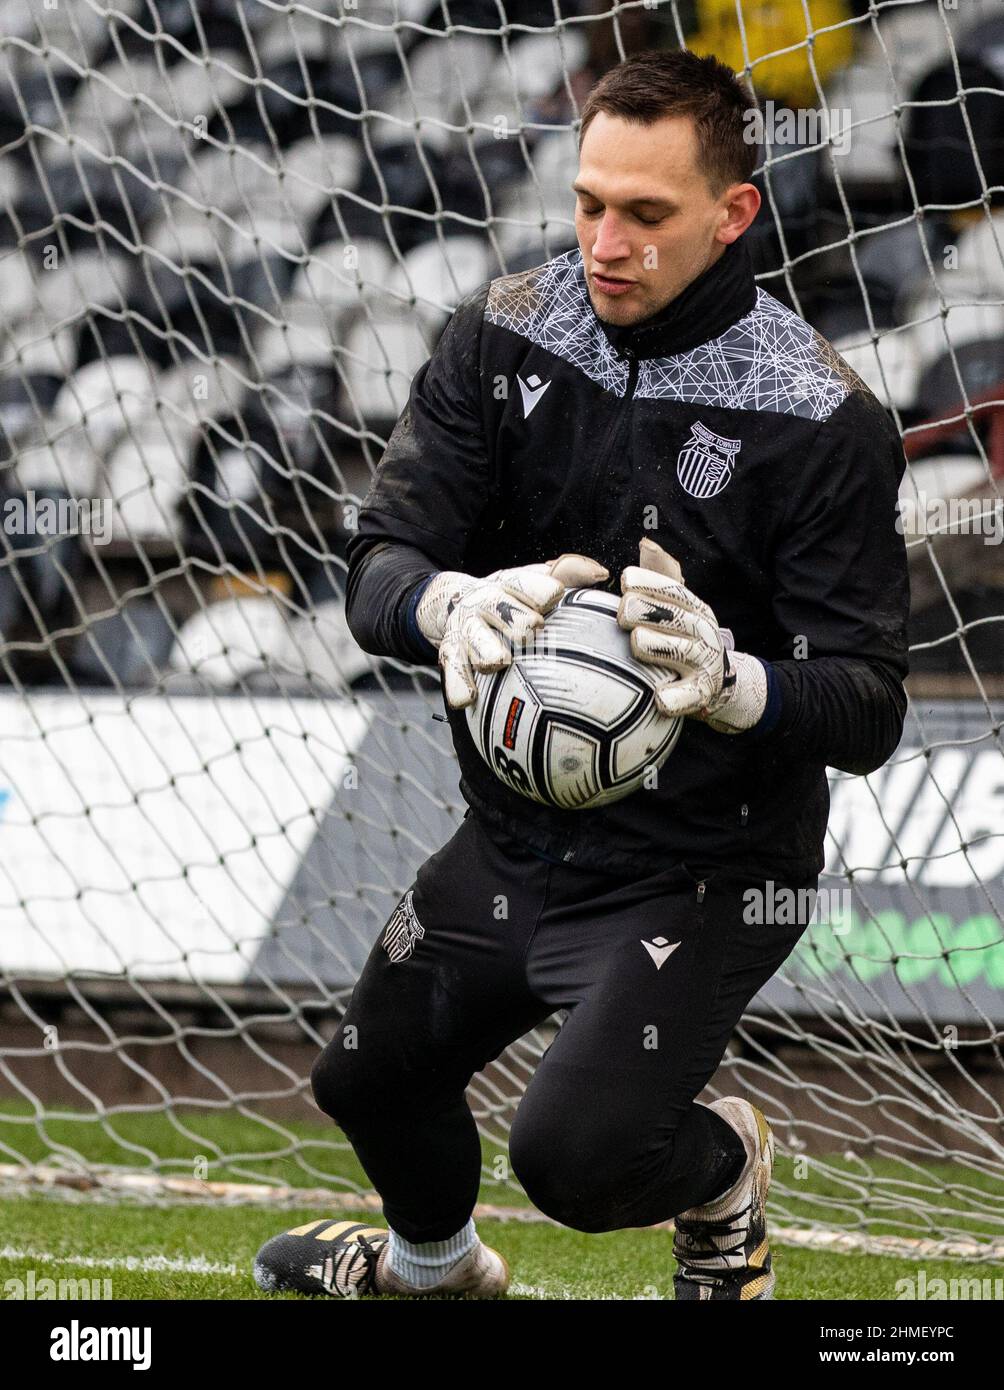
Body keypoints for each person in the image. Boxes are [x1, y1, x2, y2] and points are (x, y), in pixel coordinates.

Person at [253, 48, 909, 1302]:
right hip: (510, 840)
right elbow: (374, 560)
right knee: (362, 1078)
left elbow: (868, 707)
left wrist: (734, 682)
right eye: (587, 203)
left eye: (645, 214)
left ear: (732, 215)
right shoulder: (499, 334)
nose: (604, 242)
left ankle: (721, 1173)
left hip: (705, 867)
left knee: (576, 1158)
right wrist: (443, 603)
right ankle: (432, 1271)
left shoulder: (824, 421)